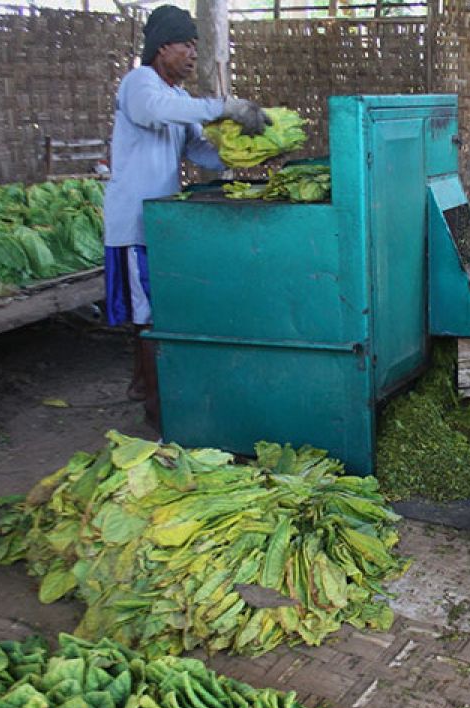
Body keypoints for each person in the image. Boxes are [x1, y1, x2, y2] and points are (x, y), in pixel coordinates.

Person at [103, 4, 269, 428]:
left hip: (161, 223)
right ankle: (156, 408)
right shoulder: (140, 84)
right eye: (187, 45)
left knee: (154, 313)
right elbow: (156, 112)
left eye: (197, 45)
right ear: (162, 49)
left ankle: (144, 386)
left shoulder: (177, 98)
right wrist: (225, 107)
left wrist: (255, 149)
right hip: (135, 225)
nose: (193, 54)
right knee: (150, 317)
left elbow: (200, 152)